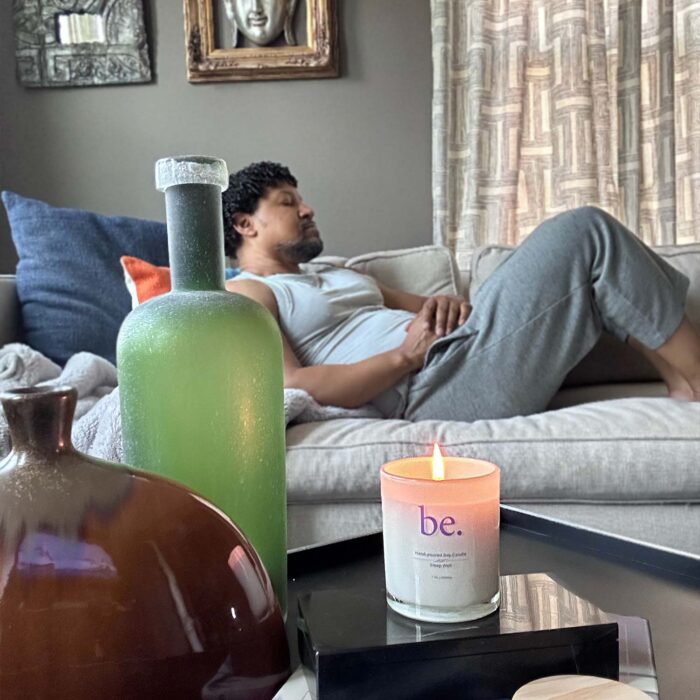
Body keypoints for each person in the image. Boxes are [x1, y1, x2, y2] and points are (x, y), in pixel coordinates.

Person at [222, 161, 700, 423]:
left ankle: (682, 381)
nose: (307, 209)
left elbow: (439, 310)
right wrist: (403, 359)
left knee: (599, 279)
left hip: (463, 351)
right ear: (245, 224)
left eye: (302, 198)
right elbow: (291, 384)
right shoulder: (248, 294)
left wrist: (445, 306)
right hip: (431, 387)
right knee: (586, 232)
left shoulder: (335, 273)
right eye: (288, 203)